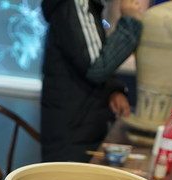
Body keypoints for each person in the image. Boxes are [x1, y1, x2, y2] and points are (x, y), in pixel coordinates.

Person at [40, 0, 145, 162]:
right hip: (74, 132)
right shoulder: (75, 4)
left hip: (79, 125)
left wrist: (112, 90)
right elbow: (96, 67)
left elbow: (84, 57)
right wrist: (130, 22)